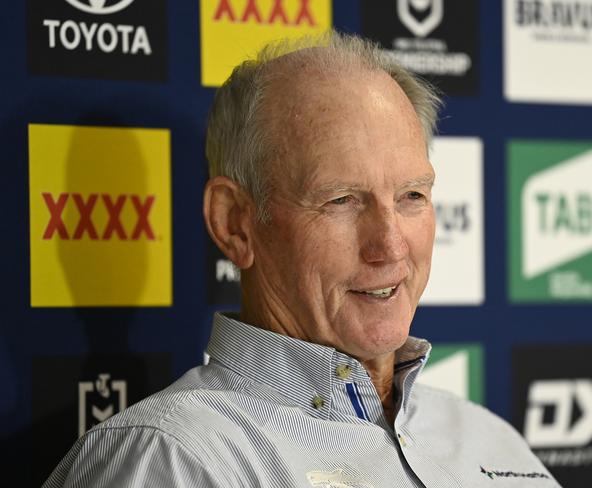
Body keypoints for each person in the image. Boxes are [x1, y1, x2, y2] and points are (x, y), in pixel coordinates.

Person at [44, 32, 559, 487]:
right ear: (234, 224)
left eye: (411, 196)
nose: (391, 245)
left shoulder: (490, 438)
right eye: (341, 200)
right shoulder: (172, 460)